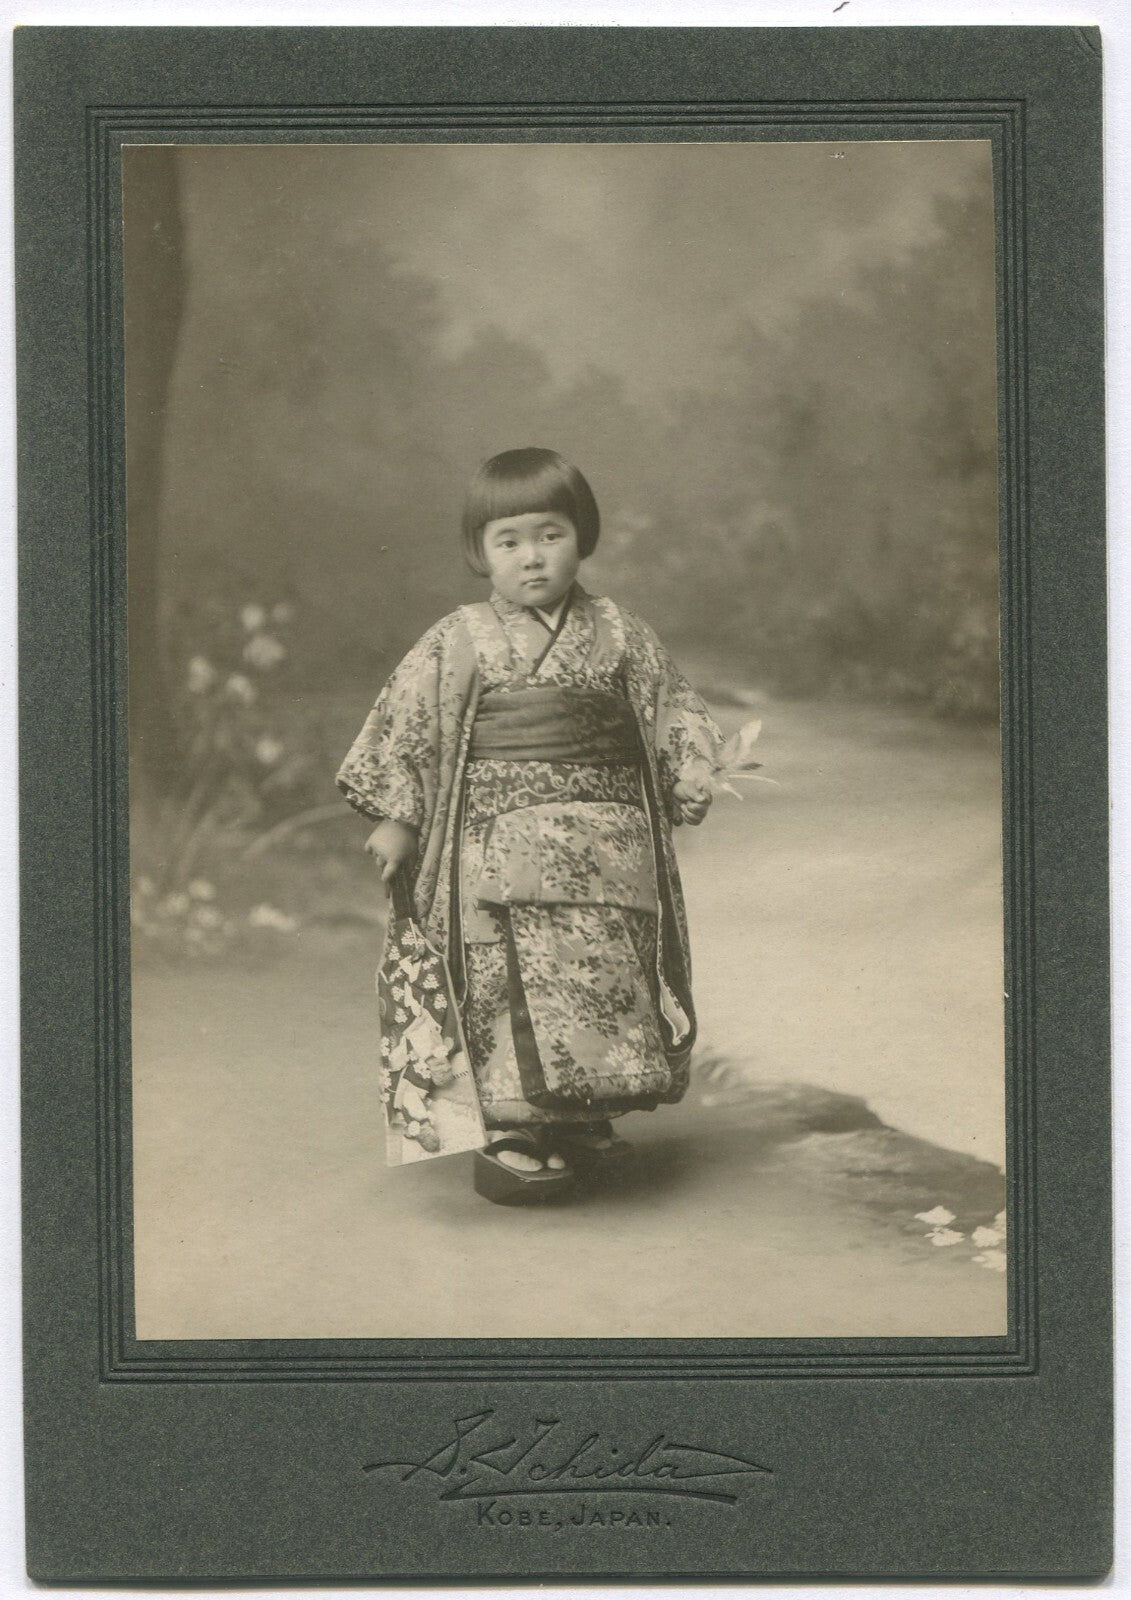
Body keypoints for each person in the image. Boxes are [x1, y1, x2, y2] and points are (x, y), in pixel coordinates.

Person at [337, 447, 722, 1204]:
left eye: (549, 534)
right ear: (478, 554)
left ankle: (582, 1115)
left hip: (608, 846)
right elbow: (413, 728)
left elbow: (670, 710)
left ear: (583, 536)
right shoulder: (462, 636)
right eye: (507, 541)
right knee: (502, 981)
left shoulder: (620, 633)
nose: (531, 557)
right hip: (493, 844)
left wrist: (691, 767)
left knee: (603, 972)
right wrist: (398, 819)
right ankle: (513, 1129)